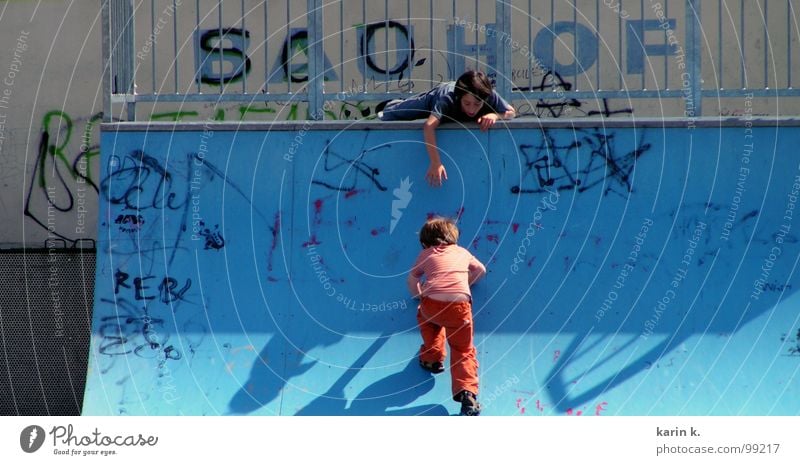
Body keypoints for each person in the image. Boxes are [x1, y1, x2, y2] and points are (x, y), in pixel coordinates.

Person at [379, 70, 516, 187]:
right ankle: (390, 105)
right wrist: (436, 163)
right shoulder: (447, 100)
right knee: (401, 112)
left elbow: (511, 112)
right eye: (467, 103)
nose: (472, 109)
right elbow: (428, 127)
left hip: (454, 100)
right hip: (435, 98)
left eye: (477, 104)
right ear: (459, 98)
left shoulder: (489, 95)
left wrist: (495, 115)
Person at [406, 217, 486, 416]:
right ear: (453, 238)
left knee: (428, 321)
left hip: (432, 305)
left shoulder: (425, 254)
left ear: (425, 242)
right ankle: (467, 394)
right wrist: (468, 282)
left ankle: (432, 358)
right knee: (462, 348)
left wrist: (418, 294)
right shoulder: (462, 252)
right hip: (459, 308)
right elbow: (480, 270)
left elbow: (413, 277)